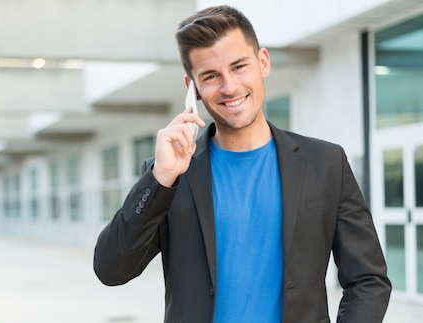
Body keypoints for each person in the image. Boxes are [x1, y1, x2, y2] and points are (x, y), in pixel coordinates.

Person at [93, 5, 391, 323]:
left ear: (262, 62)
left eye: (238, 67)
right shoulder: (171, 174)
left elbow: (368, 279)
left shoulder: (325, 163)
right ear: (191, 87)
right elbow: (112, 270)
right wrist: (161, 177)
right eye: (210, 76)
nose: (230, 87)